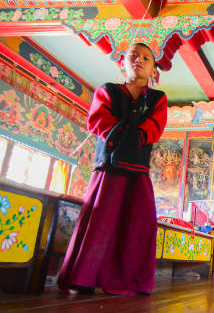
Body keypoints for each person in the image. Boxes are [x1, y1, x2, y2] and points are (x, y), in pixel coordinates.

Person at [58, 43, 167, 295]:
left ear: (153, 71)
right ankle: (83, 277)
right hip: (108, 166)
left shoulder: (157, 98)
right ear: (123, 63)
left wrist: (129, 136)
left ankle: (127, 281)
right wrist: (126, 134)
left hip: (138, 167)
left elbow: (154, 128)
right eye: (133, 56)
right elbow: (97, 121)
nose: (139, 60)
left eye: (146, 58)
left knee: (140, 223)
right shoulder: (107, 90)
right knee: (100, 219)